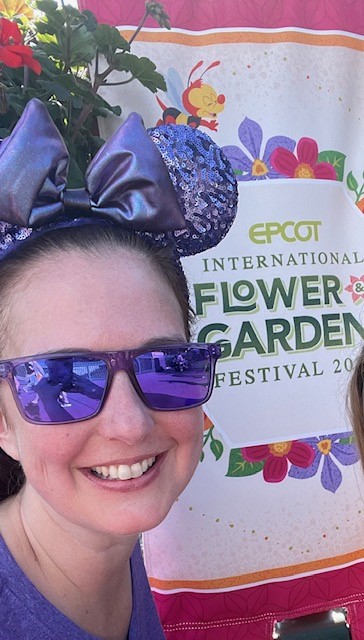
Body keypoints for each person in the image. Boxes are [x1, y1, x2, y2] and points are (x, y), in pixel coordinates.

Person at [0, 99, 237, 639]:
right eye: (62, 381)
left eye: (166, 365)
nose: (129, 424)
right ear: (2, 419)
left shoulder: (110, 553)